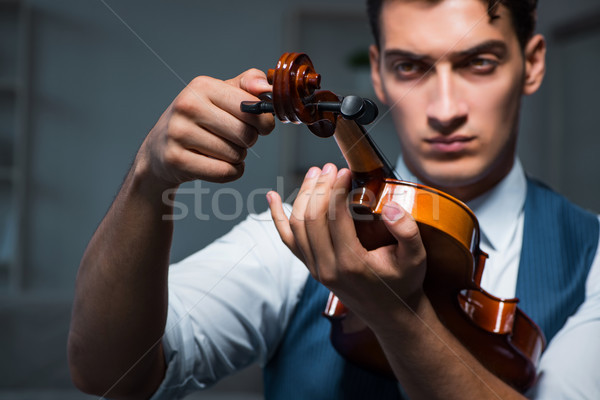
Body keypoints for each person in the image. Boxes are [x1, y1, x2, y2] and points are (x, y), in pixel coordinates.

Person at [67, 0, 600, 399]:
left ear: (530, 63)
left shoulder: (593, 255)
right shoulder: (302, 233)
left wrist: (396, 315)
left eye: (478, 62)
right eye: (411, 66)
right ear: (378, 70)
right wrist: (147, 180)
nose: (443, 108)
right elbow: (108, 373)